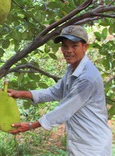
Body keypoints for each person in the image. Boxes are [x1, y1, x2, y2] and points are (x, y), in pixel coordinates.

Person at [8, 25, 112, 156]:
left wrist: (31, 125)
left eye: (74, 46)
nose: (68, 51)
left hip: (92, 146)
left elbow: (64, 110)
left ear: (85, 47)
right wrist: (22, 94)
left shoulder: (87, 78)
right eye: (64, 46)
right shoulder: (72, 69)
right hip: (79, 142)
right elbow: (55, 91)